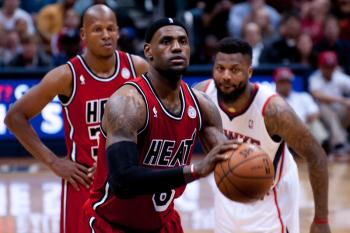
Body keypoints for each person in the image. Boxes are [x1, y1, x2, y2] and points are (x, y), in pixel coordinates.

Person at [78, 18, 235, 233]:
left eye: (183, 41)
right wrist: (195, 170)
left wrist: (246, 166)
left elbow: (228, 161)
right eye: (166, 41)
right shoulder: (128, 103)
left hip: (164, 224)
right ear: (148, 51)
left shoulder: (202, 106)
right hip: (110, 225)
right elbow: (123, 182)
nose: (177, 47)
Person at [4, 4, 148, 233]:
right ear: (83, 34)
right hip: (83, 184)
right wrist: (54, 162)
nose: (105, 35)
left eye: (110, 28)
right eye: (97, 29)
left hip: (126, 180)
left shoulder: (137, 68)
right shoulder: (66, 75)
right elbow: (14, 117)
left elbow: (158, 120)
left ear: (118, 32)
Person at [194, 38, 330, 233]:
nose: (225, 76)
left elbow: (316, 155)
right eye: (220, 68)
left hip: (272, 197)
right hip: (228, 189)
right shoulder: (203, 95)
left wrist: (321, 220)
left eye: (234, 70)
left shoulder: (273, 110)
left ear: (249, 72)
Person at [309, 51, 350, 159]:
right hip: (321, 116)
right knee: (323, 106)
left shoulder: (340, 77)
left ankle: (339, 143)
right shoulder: (314, 78)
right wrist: (342, 100)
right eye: (326, 66)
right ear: (321, 66)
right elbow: (318, 95)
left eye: (331, 66)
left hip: (340, 116)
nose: (329, 69)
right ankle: (339, 144)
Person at [274, 67, 328, 147]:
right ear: (276, 82)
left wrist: (303, 124)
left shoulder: (302, 96)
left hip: (304, 127)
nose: (285, 85)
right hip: (284, 131)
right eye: (282, 81)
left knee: (315, 124)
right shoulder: (272, 98)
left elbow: (315, 112)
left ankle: (320, 151)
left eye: (287, 81)